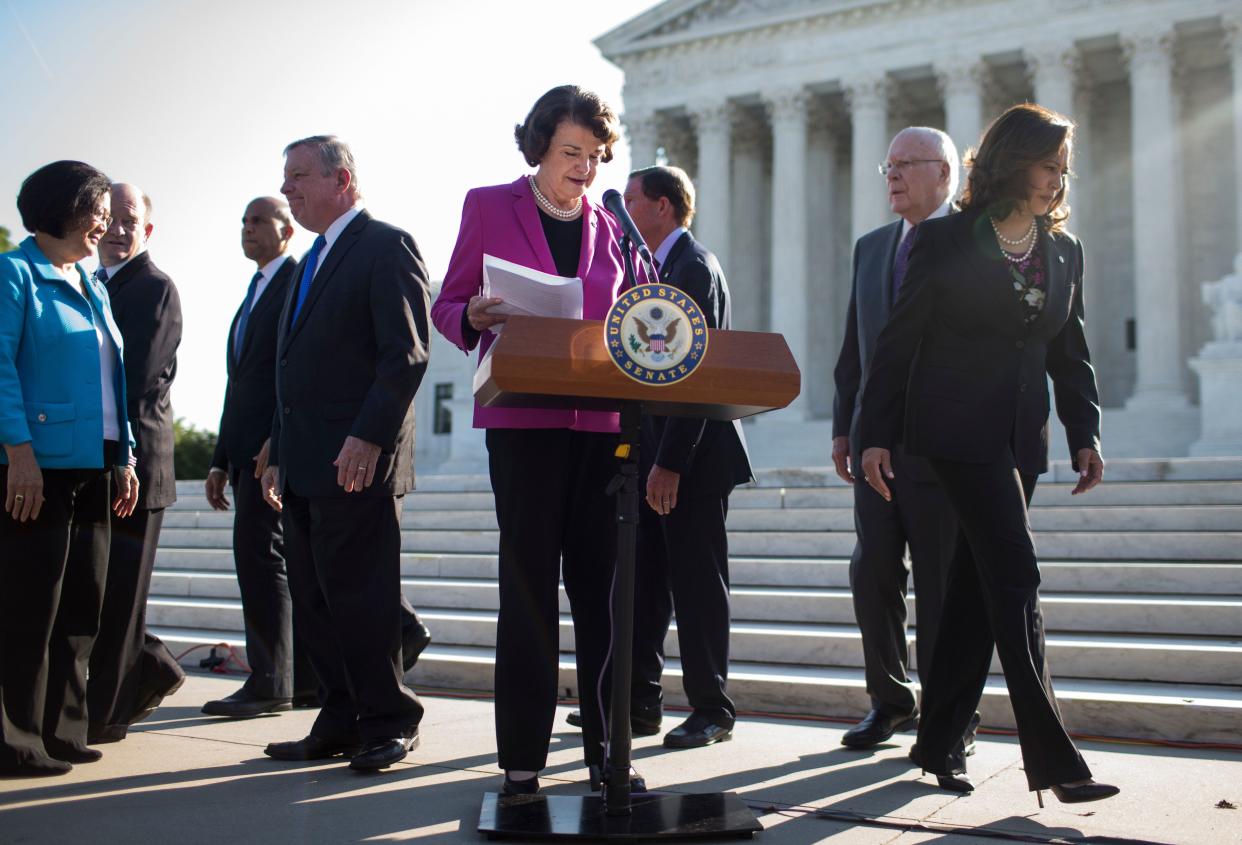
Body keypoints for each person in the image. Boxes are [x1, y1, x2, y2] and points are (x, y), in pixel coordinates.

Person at [858, 103, 1119, 806]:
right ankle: (1056, 759)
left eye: (1064, 171)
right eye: (1047, 166)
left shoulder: (1065, 251)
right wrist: (873, 432)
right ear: (1010, 161)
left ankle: (937, 738)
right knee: (1017, 575)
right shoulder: (943, 242)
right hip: (953, 434)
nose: (1056, 182)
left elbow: (1072, 351)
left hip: (1020, 440)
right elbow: (898, 342)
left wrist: (1084, 433)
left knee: (976, 593)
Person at [430, 85, 631, 796]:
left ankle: (613, 753)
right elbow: (448, 301)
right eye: (572, 153)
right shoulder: (488, 205)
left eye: (596, 156)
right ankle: (522, 759)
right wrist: (474, 315)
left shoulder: (612, 227)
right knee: (528, 592)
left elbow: (636, 315)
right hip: (522, 425)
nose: (585, 168)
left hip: (601, 429)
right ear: (539, 146)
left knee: (604, 597)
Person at [259, 135, 431, 772]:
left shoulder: (386, 245)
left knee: (363, 598)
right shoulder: (308, 262)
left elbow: (406, 354)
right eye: (286, 177)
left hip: (358, 462)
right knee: (316, 600)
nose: (287, 188)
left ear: (343, 180)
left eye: (299, 175)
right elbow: (291, 366)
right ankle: (337, 719)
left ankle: (390, 720)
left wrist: (369, 436)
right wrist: (276, 446)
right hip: (304, 463)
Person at [832, 128, 976, 751]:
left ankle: (952, 718)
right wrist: (845, 424)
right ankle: (889, 701)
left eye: (905, 165)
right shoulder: (871, 248)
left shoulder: (974, 242)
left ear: (944, 173)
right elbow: (854, 352)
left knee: (943, 583)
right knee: (873, 573)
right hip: (874, 444)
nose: (891, 175)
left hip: (942, 444)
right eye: (886, 165)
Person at [0, 161, 139, 775]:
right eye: (97, 210)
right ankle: (16, 739)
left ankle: (64, 730)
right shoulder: (13, 274)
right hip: (37, 469)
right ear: (63, 208)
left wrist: (127, 454)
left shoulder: (93, 281)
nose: (106, 223)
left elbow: (115, 377)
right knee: (31, 605)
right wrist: (18, 453)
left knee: (83, 603)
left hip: (99, 465)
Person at [622, 165, 753, 749]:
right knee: (645, 583)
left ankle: (712, 709)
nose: (621, 212)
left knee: (699, 587)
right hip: (651, 454)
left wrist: (670, 461)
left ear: (663, 207)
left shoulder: (693, 266)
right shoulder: (652, 268)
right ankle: (638, 704)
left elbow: (694, 370)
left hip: (692, 459)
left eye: (630, 201)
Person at [201, 197, 318, 718]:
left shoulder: (296, 281)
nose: (246, 229)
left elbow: (293, 371)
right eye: (243, 221)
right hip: (245, 451)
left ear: (286, 230)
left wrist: (278, 438)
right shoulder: (255, 290)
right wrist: (219, 458)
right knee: (272, 559)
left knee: (263, 558)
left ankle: (272, 680)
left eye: (257, 220)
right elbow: (240, 382)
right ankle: (300, 679)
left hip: (274, 449)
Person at [87, 183, 186, 743]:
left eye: (132, 220)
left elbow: (138, 379)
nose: (120, 229)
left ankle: (107, 718)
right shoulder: (92, 284)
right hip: (96, 464)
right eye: (111, 218)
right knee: (102, 594)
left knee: (122, 598)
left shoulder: (154, 288)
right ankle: (157, 670)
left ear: (146, 230)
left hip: (137, 467)